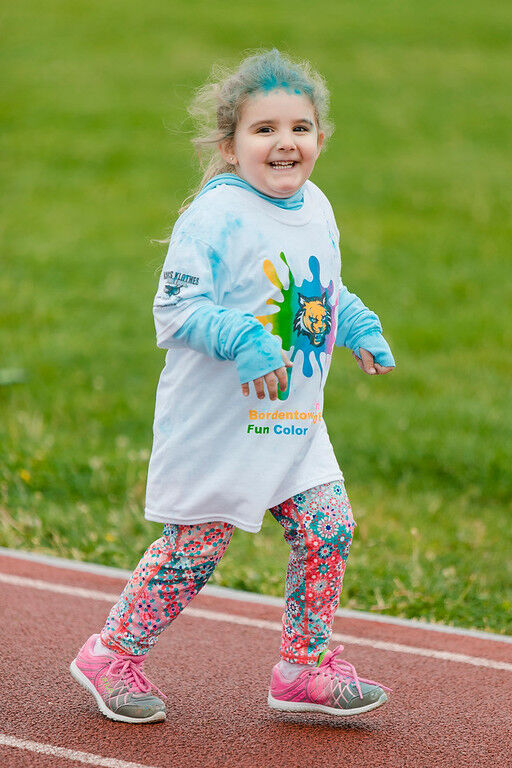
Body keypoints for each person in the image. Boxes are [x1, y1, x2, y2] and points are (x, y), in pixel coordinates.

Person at [70, 49, 395, 724]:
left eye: (300, 128)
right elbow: (177, 309)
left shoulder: (317, 207)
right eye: (264, 129)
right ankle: (112, 654)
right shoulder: (216, 216)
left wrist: (356, 324)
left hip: (291, 421)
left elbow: (320, 290)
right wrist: (245, 341)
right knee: (196, 549)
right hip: (221, 422)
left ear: (320, 140)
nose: (285, 142)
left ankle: (303, 668)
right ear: (229, 144)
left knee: (327, 528)